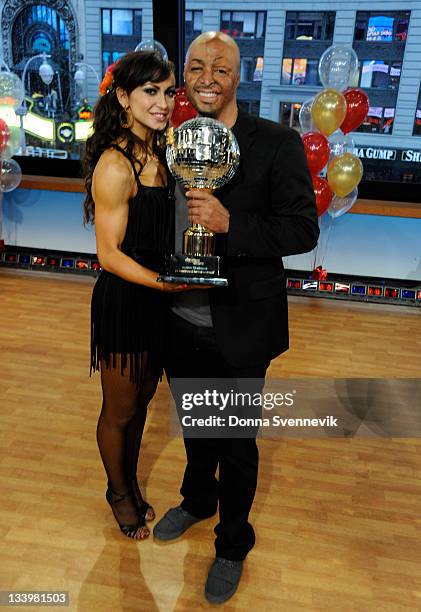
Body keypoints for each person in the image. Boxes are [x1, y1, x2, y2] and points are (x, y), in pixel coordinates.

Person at [153, 32, 319, 603]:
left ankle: (232, 542)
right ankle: (198, 501)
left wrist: (231, 225)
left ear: (238, 76)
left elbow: (302, 229)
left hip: (243, 324)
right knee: (195, 428)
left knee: (236, 442)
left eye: (219, 68)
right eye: (195, 66)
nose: (205, 77)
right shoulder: (171, 142)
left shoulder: (275, 142)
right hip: (178, 316)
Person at [83, 51, 187, 540]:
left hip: (156, 301)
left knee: (144, 399)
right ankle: (118, 492)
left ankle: (128, 482)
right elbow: (109, 255)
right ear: (123, 97)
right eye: (151, 91)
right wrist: (164, 283)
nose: (162, 102)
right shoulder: (115, 165)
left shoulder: (165, 154)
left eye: (168, 92)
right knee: (119, 409)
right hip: (126, 300)